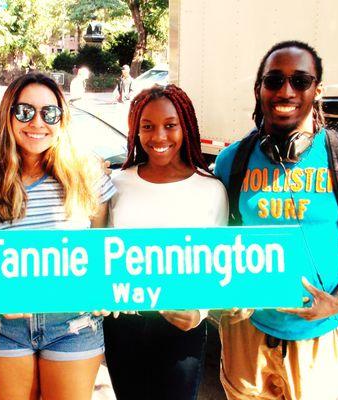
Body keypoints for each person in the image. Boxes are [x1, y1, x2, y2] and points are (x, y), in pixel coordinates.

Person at [0, 72, 116, 400]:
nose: (37, 123)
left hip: (73, 327)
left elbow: (103, 251)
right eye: (25, 111)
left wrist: (104, 290)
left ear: (62, 119)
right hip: (6, 329)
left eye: (50, 113)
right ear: (8, 115)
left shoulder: (86, 174)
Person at [214, 40, 338, 400]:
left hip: (321, 333)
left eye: (300, 80)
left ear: (317, 90)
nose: (286, 90)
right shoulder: (231, 161)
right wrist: (220, 299)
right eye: (274, 80)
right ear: (259, 90)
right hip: (247, 333)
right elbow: (214, 243)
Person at [104, 84, 229, 400]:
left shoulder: (211, 189)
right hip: (124, 327)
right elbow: (98, 252)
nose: (159, 137)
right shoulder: (116, 184)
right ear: (136, 130)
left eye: (170, 125)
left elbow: (218, 264)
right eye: (148, 126)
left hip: (182, 326)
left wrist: (199, 312)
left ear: (185, 126)